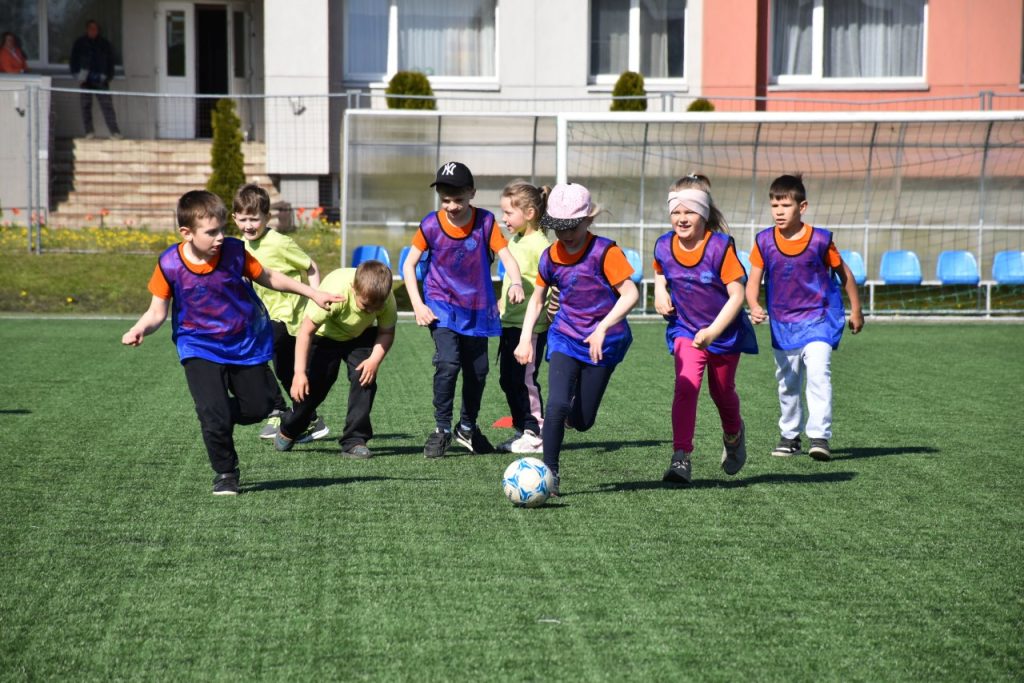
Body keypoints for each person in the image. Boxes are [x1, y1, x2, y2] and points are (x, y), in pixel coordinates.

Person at [121, 190, 341, 496]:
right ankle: (226, 472)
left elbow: (269, 276)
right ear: (186, 233)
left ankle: (217, 413)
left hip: (243, 342)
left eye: (223, 229)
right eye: (211, 232)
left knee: (261, 406)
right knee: (213, 414)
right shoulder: (169, 263)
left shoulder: (236, 252)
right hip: (198, 344)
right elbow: (157, 311)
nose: (220, 237)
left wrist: (312, 293)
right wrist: (140, 327)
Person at [514, 182, 639, 495]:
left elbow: (630, 293)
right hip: (566, 338)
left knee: (582, 420)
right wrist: (525, 337)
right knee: (555, 405)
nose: (565, 235)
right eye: (558, 228)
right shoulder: (550, 256)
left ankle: (572, 418)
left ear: (588, 221)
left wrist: (602, 327)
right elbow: (538, 299)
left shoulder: (605, 252)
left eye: (572, 227)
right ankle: (550, 474)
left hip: (604, 342)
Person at [403, 161, 525, 459]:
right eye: (446, 200)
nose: (452, 206)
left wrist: (516, 282)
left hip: (477, 308)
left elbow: (506, 257)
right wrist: (418, 304)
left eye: (458, 199)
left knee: (478, 371)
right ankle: (442, 428)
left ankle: (467, 427)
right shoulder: (430, 225)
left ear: (472, 193)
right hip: (440, 304)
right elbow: (408, 265)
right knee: (448, 363)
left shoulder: (485, 223)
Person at [745, 173, 864, 461]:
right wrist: (754, 304)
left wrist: (856, 309)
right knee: (788, 381)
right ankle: (789, 436)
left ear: (803, 207)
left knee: (819, 373)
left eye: (785, 206)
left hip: (819, 319)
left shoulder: (821, 240)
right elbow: (753, 281)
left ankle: (819, 436)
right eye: (774, 206)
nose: (778, 212)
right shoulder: (763, 241)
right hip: (783, 323)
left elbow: (844, 274)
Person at [652, 174, 758, 485]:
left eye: (689, 212)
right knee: (686, 387)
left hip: (724, 333)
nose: (681, 219)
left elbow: (737, 296)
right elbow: (660, 270)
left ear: (704, 213)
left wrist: (712, 331)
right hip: (685, 329)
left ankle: (734, 435)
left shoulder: (720, 248)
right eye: (676, 212)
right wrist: (660, 290)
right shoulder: (662, 245)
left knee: (721, 391)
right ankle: (681, 457)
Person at [233, 183, 329, 443]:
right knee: (284, 372)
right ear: (234, 218)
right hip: (266, 317)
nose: (249, 225)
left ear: (267, 217)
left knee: (263, 359)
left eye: (254, 219)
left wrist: (315, 299)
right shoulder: (240, 246)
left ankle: (281, 411)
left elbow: (311, 267)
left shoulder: (279, 243)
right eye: (243, 219)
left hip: (289, 318)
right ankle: (309, 419)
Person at [274, 260, 397, 458]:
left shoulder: (384, 297)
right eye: (365, 305)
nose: (371, 311)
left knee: (365, 379)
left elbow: (386, 332)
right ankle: (290, 427)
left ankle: (354, 440)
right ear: (353, 289)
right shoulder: (335, 293)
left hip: (359, 335)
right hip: (323, 336)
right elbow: (306, 331)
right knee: (314, 389)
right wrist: (299, 373)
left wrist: (374, 360)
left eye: (376, 307)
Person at [496, 180, 551, 454]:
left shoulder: (540, 244)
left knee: (525, 379)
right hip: (509, 323)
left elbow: (549, 287)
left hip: (530, 329)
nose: (504, 218)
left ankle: (536, 431)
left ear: (529, 213)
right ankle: (523, 429)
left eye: (508, 213)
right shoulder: (515, 240)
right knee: (508, 379)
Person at [69, 19, 121, 139]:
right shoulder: (80, 43)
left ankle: (115, 132)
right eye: (91, 28)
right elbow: (73, 61)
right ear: (87, 29)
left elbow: (110, 62)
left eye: (95, 29)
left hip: (100, 79)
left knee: (107, 105)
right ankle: (89, 132)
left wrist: (108, 77)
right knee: (85, 106)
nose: (93, 31)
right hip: (85, 79)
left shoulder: (104, 44)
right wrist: (77, 76)